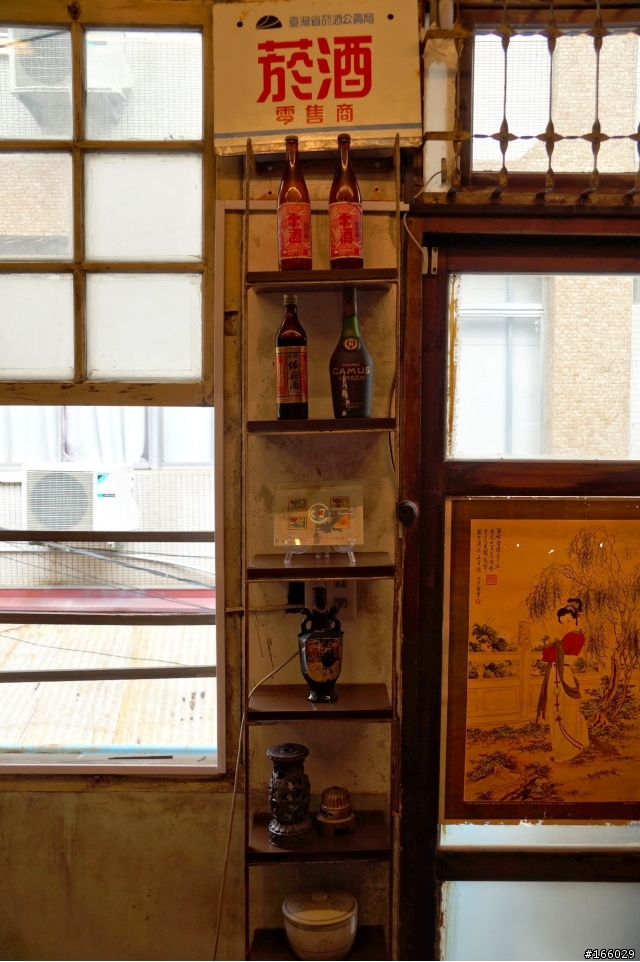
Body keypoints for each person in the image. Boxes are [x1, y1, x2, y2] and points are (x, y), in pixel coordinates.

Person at [536, 597, 589, 762]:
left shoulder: (574, 636)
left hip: (562, 674)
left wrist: (552, 641)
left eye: (568, 620)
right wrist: (554, 642)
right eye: (562, 622)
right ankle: (560, 747)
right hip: (557, 673)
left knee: (563, 711)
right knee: (558, 710)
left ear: (576, 618)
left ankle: (568, 748)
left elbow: (550, 655)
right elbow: (550, 654)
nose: (565, 624)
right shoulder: (568, 635)